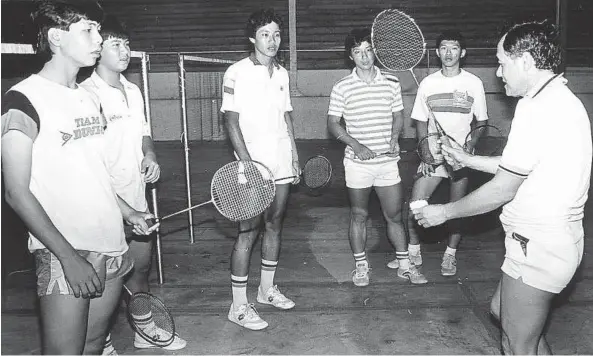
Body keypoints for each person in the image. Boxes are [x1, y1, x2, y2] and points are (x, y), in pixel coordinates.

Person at [413, 20, 591, 355]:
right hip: (546, 241)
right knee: (504, 315)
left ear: (524, 61)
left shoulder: (535, 108)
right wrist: (468, 159)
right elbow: (520, 166)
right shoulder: (558, 99)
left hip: (539, 245)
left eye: (502, 62)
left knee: (516, 344)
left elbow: (502, 189)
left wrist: (444, 213)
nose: (498, 72)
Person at [0, 1, 155, 354]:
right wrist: (69, 258)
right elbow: (15, 192)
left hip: (112, 244)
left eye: (98, 30)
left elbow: (94, 172)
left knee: (94, 345)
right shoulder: (23, 100)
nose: (98, 39)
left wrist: (129, 214)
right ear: (56, 37)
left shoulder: (88, 98)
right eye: (88, 30)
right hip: (65, 252)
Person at [80, 15, 187, 352]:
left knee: (140, 269)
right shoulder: (85, 95)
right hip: (100, 205)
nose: (124, 50)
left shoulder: (132, 89)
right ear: (98, 51)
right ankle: (101, 342)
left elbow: (143, 133)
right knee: (101, 280)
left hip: (136, 199)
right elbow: (87, 163)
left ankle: (144, 330)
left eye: (126, 43)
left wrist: (150, 156)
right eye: (115, 44)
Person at [327, 28, 427, 286]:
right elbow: (333, 123)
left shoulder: (391, 82)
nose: (364, 57)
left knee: (394, 215)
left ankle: (405, 265)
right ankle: (361, 266)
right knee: (359, 215)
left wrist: (395, 138)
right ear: (351, 56)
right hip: (358, 164)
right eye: (358, 52)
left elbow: (398, 116)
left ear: (375, 52)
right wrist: (356, 145)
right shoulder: (342, 87)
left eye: (368, 50)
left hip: (386, 163)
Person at [220, 8, 300, 331]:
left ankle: (266, 290)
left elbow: (286, 116)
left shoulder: (281, 74)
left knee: (275, 223)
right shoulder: (235, 72)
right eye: (265, 34)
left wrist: (294, 154)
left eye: (277, 34)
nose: (272, 41)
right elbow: (230, 120)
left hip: (280, 159)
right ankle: (238, 306)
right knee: (247, 231)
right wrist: (247, 163)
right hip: (251, 163)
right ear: (253, 37)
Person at [388, 30, 489, 277]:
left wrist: (470, 146)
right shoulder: (428, 83)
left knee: (457, 207)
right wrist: (425, 151)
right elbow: (420, 121)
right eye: (444, 48)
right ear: (437, 52)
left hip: (461, 157)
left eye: (454, 48)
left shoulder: (474, 83)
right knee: (416, 203)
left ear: (462, 53)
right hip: (434, 155)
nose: (448, 53)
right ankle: (413, 252)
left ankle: (450, 255)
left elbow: (482, 121)